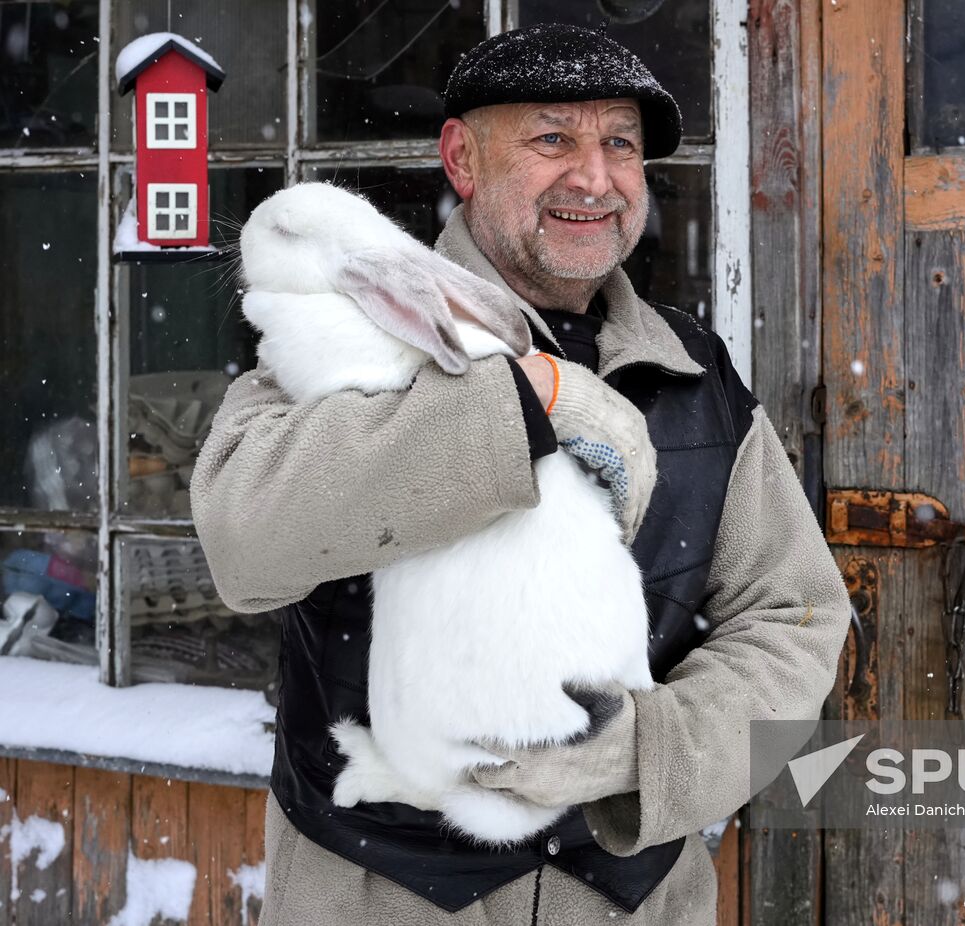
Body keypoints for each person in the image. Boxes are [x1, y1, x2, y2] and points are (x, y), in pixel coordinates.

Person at [191, 23, 849, 926]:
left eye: (619, 144)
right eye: (552, 139)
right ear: (462, 157)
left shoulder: (695, 374)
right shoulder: (348, 332)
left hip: (635, 902)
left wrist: (644, 752)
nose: (594, 177)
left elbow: (793, 617)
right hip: (378, 897)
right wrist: (524, 404)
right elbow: (244, 536)